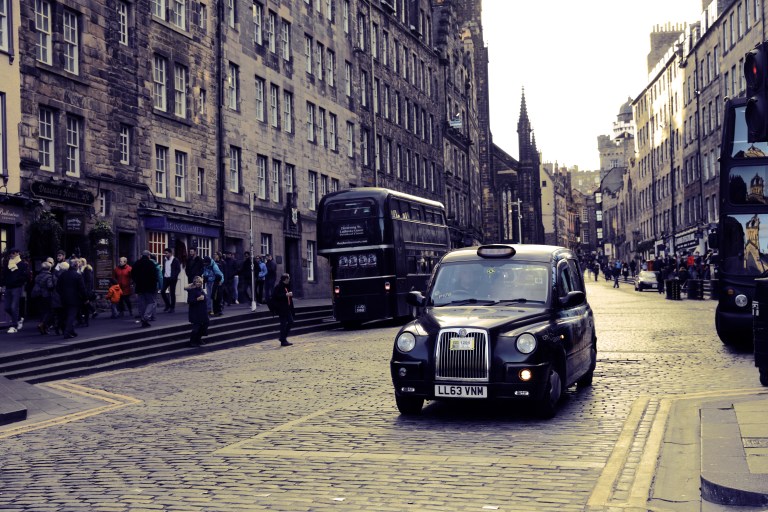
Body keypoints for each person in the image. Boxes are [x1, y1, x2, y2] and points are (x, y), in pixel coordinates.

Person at [1, 248, 30, 333]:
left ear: (18, 253)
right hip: (8, 287)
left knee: (14, 307)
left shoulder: (22, 264)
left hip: (16, 287)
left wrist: (18, 282)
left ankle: (14, 326)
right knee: (7, 307)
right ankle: (18, 318)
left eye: (13, 253)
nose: (11, 255)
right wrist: (2, 284)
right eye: (10, 253)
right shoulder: (7, 264)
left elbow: (26, 276)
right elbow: (4, 275)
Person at [56, 259, 86, 339]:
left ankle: (71, 331)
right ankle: (67, 332)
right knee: (71, 316)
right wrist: (85, 298)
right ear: (76, 266)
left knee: (66, 314)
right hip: (75, 299)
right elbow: (82, 289)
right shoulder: (78, 276)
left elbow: (58, 287)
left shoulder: (63, 275)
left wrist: (62, 294)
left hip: (64, 298)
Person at [132, 250, 159, 328]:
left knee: (142, 304)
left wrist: (136, 282)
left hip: (140, 287)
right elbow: (155, 276)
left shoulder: (137, 263)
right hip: (149, 287)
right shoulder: (151, 264)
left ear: (141, 255)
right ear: (148, 256)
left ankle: (143, 318)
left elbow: (133, 274)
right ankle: (146, 317)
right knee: (151, 302)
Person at [31, 261, 55, 335]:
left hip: (38, 295)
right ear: (49, 268)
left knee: (42, 311)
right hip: (46, 295)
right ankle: (43, 324)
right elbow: (50, 286)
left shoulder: (38, 276)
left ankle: (44, 328)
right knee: (49, 311)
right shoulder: (49, 276)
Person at [271, 273, 295, 347]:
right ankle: (283, 340)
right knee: (283, 324)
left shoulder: (287, 286)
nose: (289, 279)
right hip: (281, 308)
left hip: (287, 308)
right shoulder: (278, 287)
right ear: (285, 279)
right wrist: (286, 295)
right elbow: (275, 296)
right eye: (288, 278)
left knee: (290, 322)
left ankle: (282, 338)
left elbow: (289, 298)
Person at [185, 276, 209, 347]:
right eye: (197, 282)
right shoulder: (192, 290)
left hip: (203, 311)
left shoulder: (201, 290)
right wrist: (197, 299)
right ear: (194, 283)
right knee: (196, 327)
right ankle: (192, 341)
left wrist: (204, 299)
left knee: (206, 324)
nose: (198, 283)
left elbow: (205, 299)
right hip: (195, 312)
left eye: (200, 282)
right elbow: (189, 301)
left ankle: (198, 338)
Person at [161, 247, 181, 313]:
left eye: (166, 253)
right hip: (166, 278)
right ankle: (167, 305)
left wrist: (174, 276)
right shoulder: (165, 260)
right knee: (162, 291)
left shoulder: (175, 260)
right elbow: (164, 268)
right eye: (165, 253)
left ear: (170, 253)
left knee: (172, 293)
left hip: (172, 279)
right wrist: (163, 274)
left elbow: (178, 269)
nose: (165, 254)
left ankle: (172, 307)